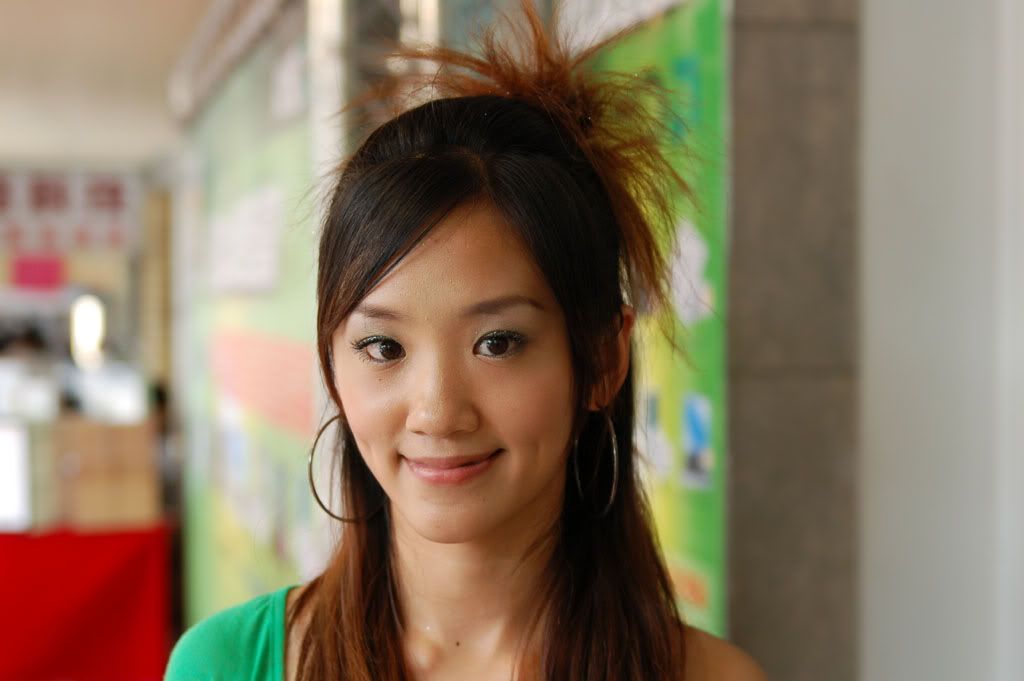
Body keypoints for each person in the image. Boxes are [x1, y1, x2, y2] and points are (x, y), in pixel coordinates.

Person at [166, 3, 767, 680]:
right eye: (383, 348)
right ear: (331, 364)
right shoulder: (224, 665)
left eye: (497, 342)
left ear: (603, 358)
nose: (437, 412)